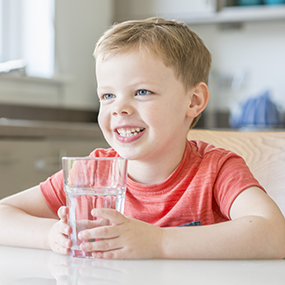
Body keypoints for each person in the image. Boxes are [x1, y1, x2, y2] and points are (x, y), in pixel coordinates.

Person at [0, 17, 285, 259]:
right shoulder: (92, 173)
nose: (118, 107)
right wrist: (50, 234)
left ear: (193, 101)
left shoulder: (217, 170)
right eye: (107, 95)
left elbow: (274, 234)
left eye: (142, 92)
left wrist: (158, 242)